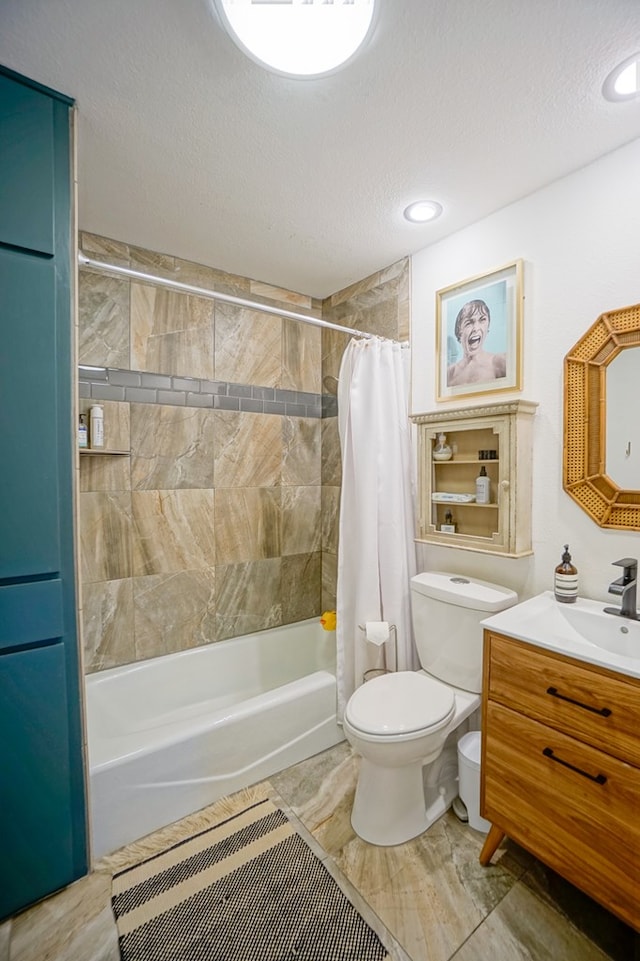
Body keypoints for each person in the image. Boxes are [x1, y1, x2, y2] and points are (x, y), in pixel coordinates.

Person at [446, 299, 506, 387]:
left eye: (482, 320)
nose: (476, 328)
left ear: (487, 327)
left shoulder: (499, 362)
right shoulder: (449, 373)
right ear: (459, 332)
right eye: (469, 323)